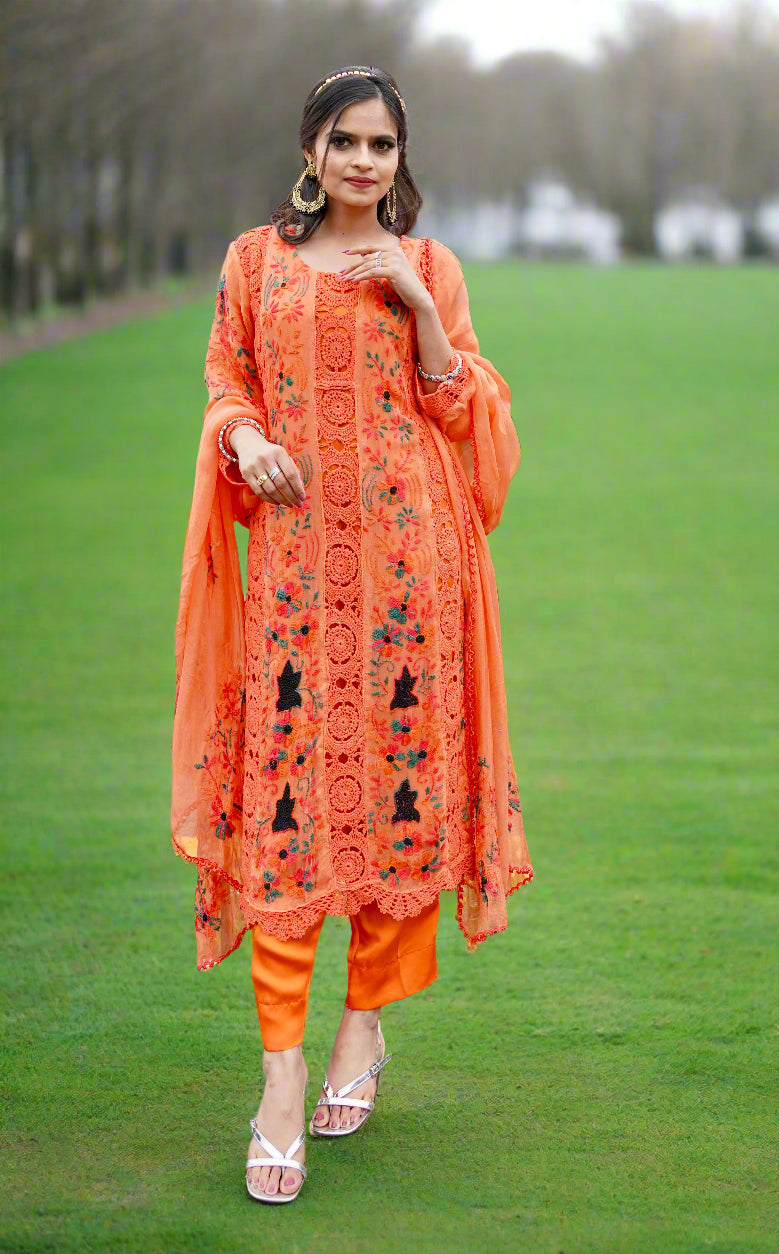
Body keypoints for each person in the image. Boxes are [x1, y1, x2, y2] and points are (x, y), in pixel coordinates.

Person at [171, 64, 533, 1205]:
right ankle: (279, 1082)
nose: (363, 161)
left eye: (381, 144)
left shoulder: (428, 266)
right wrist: (241, 444)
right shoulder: (250, 263)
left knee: (394, 808)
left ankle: (359, 1029)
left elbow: (464, 408)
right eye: (345, 141)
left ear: (399, 158)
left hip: (410, 577)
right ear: (310, 149)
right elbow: (225, 382)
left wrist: (422, 312)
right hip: (290, 578)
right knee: (287, 820)